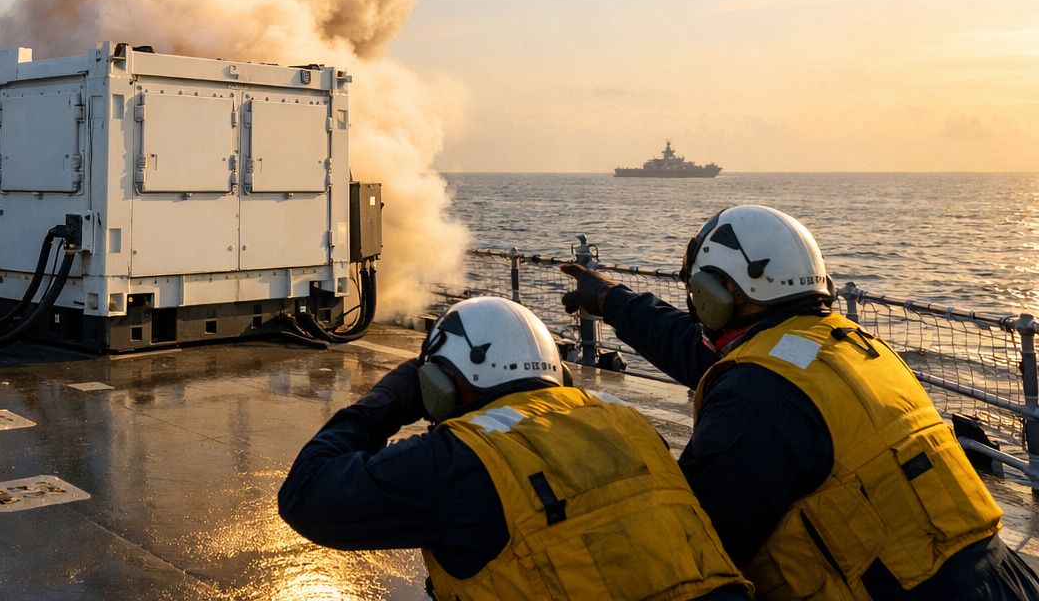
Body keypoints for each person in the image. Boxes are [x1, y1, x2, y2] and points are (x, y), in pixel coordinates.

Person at [560, 204, 1039, 600]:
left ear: (719, 293)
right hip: (1002, 579)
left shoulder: (755, 399)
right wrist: (609, 298)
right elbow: (700, 353)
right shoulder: (843, 346)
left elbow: (696, 550)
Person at [279, 296, 751, 600]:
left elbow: (306, 496)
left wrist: (384, 402)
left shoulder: (461, 459)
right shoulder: (627, 422)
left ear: (439, 384)